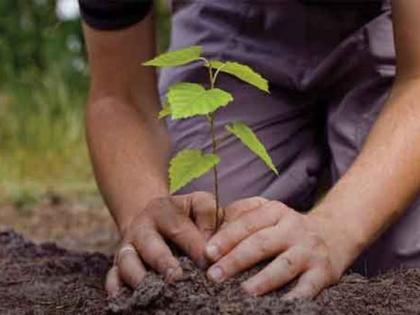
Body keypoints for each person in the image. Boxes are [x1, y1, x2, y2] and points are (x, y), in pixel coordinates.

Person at [79, 0, 420, 300]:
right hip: (233, 18)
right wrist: (144, 215)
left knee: (406, 254)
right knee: (208, 241)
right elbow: (118, 95)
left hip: (393, 23)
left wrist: (337, 227)